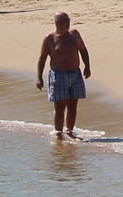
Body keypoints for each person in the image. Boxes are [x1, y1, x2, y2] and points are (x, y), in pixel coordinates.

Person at [36, 11, 91, 139]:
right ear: (57, 23)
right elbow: (42, 58)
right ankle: (58, 134)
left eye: (68, 21)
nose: (68, 24)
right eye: (65, 22)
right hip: (58, 75)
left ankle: (70, 131)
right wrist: (39, 78)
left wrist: (87, 66)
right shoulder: (50, 38)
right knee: (60, 106)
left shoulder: (74, 34)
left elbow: (83, 50)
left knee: (73, 104)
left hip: (75, 74)